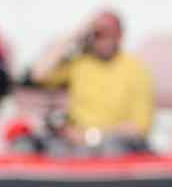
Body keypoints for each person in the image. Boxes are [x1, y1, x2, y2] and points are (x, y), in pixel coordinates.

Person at [29, 9, 155, 155]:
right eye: (98, 34)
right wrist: (75, 34)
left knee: (108, 148)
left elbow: (140, 127)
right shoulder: (81, 63)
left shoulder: (136, 69)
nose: (104, 40)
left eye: (110, 34)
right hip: (76, 141)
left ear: (120, 35)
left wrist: (92, 136)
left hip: (114, 142)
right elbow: (38, 73)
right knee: (34, 145)